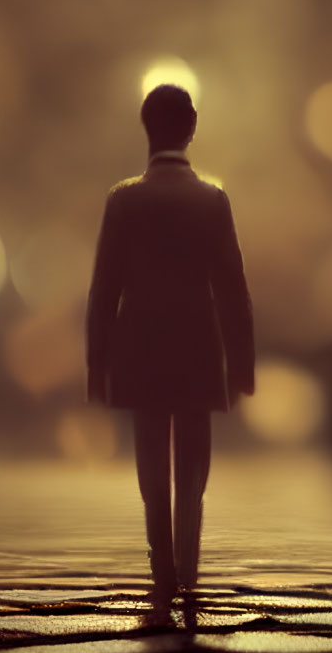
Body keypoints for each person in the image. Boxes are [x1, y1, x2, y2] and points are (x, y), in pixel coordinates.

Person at [85, 84, 255, 601]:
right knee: (194, 466)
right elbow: (232, 288)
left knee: (151, 462)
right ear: (192, 126)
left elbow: (104, 288)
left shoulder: (123, 200)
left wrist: (97, 362)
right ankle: (188, 564)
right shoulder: (212, 200)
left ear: (146, 126)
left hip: (141, 347)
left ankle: (161, 563)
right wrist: (241, 363)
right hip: (199, 349)